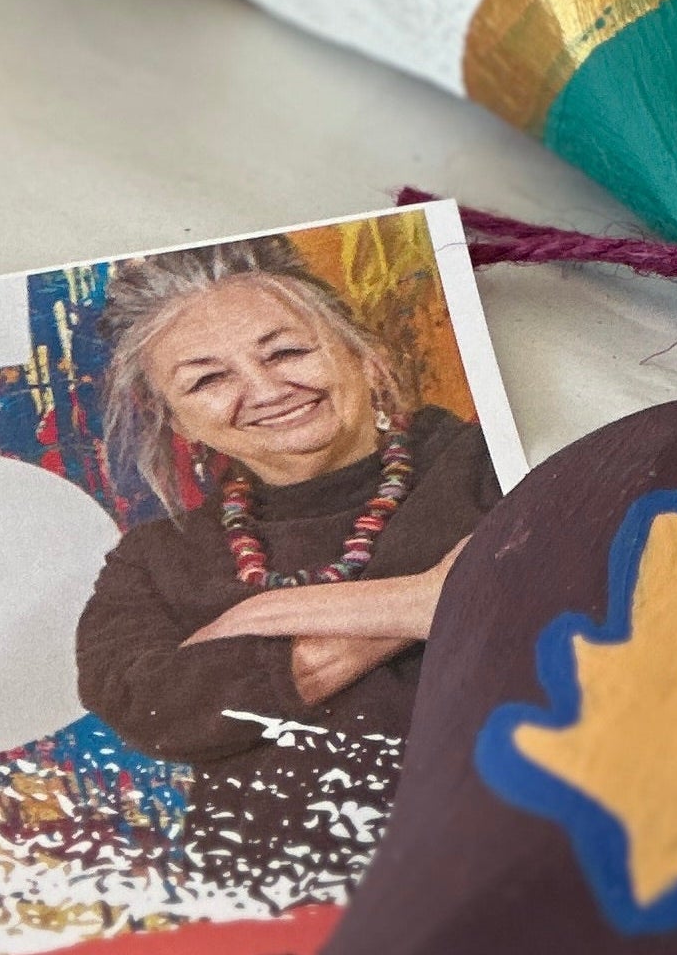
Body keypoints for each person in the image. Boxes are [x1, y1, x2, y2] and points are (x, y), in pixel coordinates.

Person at [73, 238, 499, 886]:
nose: (267, 389)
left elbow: (562, 592)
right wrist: (422, 601)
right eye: (209, 379)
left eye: (289, 351)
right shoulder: (157, 557)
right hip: (273, 896)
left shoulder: (485, 466)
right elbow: (150, 707)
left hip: (500, 861)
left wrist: (258, 620)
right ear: (174, 417)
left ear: (359, 349)